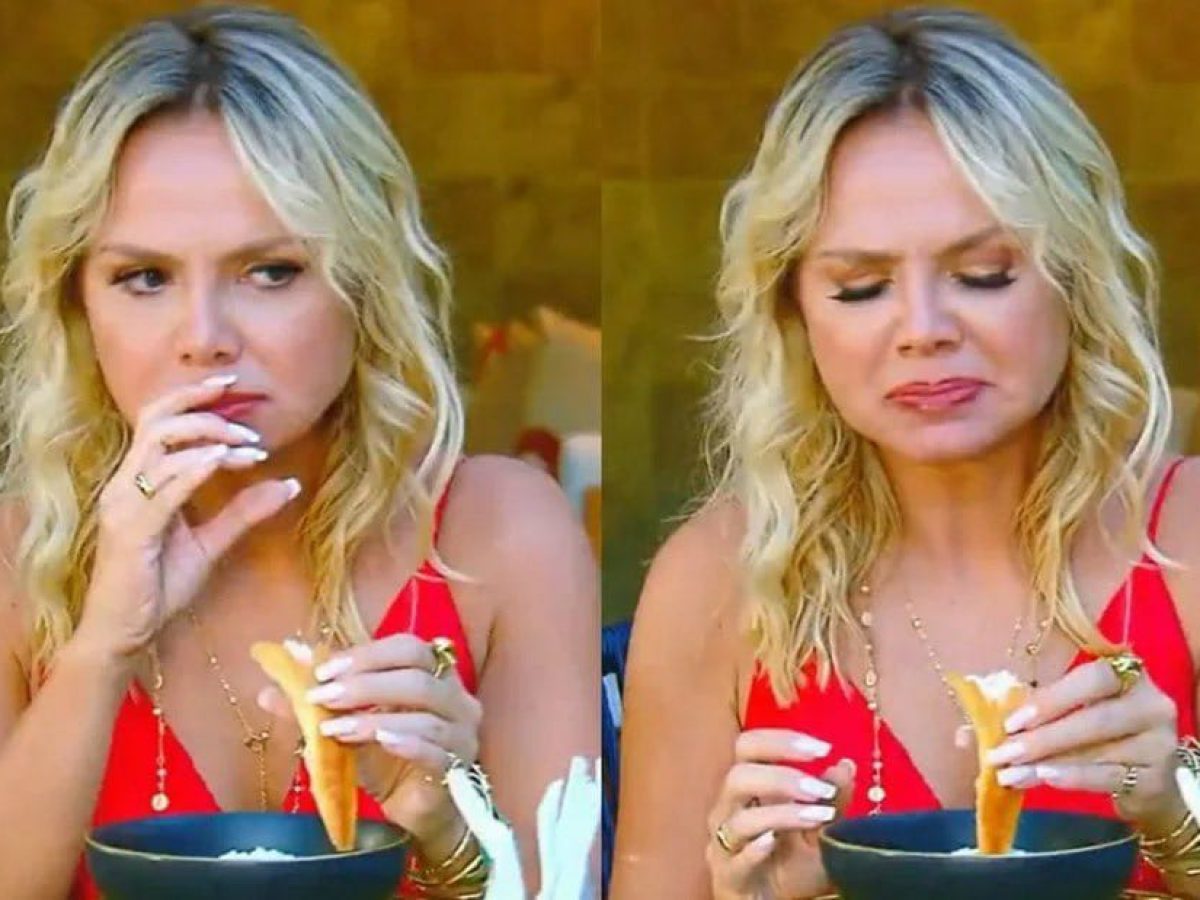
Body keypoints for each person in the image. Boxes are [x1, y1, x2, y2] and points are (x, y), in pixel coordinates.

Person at [0, 7, 598, 899]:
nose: (204, 336)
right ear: (79, 304)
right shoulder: (21, 556)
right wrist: (102, 647)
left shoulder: (502, 535)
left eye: (270, 271)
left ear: (361, 283)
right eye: (144, 277)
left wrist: (444, 823)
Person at [611, 7, 1200, 898]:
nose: (923, 329)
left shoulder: (1183, 543)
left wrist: (1180, 825)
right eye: (861, 287)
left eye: (983, 274)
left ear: (1075, 278)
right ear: (794, 311)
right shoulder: (714, 582)